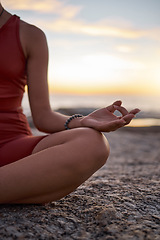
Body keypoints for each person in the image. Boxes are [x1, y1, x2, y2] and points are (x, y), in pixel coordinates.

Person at [0, 4, 140, 204]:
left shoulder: (29, 35)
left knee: (92, 143)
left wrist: (84, 121)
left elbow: (43, 117)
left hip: (9, 146)